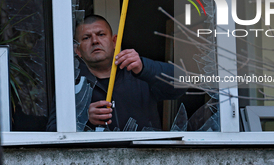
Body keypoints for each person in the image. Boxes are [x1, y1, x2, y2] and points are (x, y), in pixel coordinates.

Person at [46, 14, 185, 131]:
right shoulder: (72, 86)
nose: (95, 41)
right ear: (78, 51)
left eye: (101, 34)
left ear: (114, 42)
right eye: (86, 38)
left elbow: (182, 84)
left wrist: (144, 67)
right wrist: (82, 117)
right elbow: (52, 131)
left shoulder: (138, 73)